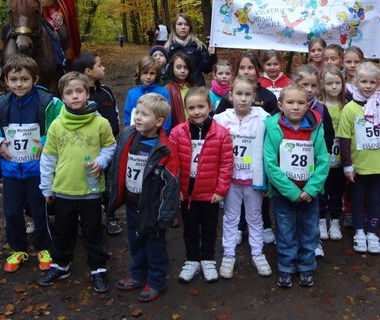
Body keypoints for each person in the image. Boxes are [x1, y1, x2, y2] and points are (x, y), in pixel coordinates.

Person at [37, 72, 116, 290]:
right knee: (63, 230)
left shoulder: (100, 123)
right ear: (62, 97)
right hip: (63, 189)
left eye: (79, 91)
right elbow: (48, 158)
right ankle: (61, 264)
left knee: (92, 230)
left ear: (87, 93)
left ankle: (98, 268)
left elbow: (110, 146)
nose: (74, 96)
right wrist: (46, 187)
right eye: (69, 93)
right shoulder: (56, 125)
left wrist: (102, 160)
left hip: (90, 189)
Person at [0, 54, 63, 273]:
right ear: (6, 81)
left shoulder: (49, 103)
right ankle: (17, 248)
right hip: (11, 168)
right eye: (14, 79)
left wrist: (47, 142)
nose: (19, 84)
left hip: (37, 168)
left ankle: (43, 247)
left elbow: (62, 125)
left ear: (35, 79)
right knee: (12, 211)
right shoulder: (1, 104)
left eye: (24, 79)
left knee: (39, 209)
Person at [107, 93, 180, 302]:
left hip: (153, 207)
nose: (138, 117)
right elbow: (118, 164)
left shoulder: (165, 149)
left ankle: (156, 281)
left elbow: (172, 185)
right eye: (137, 112)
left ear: (158, 122)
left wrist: (166, 214)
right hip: (132, 202)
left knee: (154, 245)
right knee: (135, 240)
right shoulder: (129, 135)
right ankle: (138, 274)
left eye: (144, 114)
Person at [263, 84, 330, 288]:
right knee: (285, 230)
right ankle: (286, 266)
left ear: (308, 105)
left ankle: (306, 265)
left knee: (310, 230)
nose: (295, 107)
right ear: (281, 105)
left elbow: (323, 160)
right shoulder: (273, 128)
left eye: (301, 103)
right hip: (284, 193)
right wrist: (291, 191)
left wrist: (311, 189)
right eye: (290, 103)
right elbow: (270, 164)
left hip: (310, 192)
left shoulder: (316, 127)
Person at [169, 87, 233, 283]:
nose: (196, 112)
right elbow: (172, 164)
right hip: (187, 194)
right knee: (189, 229)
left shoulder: (221, 134)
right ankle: (192, 260)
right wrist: (176, 190)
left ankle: (207, 259)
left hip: (210, 194)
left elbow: (226, 164)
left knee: (209, 228)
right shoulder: (177, 132)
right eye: (191, 108)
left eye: (201, 107)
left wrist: (221, 190)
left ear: (210, 106)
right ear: (186, 109)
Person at [214, 76, 271, 279]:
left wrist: (266, 180)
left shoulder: (264, 118)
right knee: (230, 218)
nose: (243, 99)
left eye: (248, 94)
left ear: (254, 97)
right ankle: (228, 254)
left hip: (253, 180)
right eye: (239, 94)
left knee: (255, 218)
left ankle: (257, 252)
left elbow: (270, 149)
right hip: (230, 180)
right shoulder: (220, 119)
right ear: (230, 96)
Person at [338, 62, 380, 255]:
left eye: (372, 82)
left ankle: (372, 232)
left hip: (377, 163)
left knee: (375, 199)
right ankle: (359, 231)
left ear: (378, 84)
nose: (368, 86)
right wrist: (347, 166)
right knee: (357, 198)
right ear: (356, 83)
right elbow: (344, 138)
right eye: (364, 82)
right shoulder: (349, 109)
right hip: (358, 165)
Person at [72, 51, 122, 235]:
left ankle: (110, 216)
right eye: (99, 65)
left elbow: (115, 115)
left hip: (107, 148)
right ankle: (83, 219)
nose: (103, 68)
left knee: (109, 184)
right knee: (86, 186)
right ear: (88, 71)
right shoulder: (76, 97)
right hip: (84, 150)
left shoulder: (106, 92)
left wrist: (113, 134)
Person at [292, 64, 335, 258]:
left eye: (312, 85)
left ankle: (313, 240)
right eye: (304, 85)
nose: (309, 90)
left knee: (313, 206)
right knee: (290, 204)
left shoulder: (322, 110)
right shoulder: (287, 105)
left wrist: (319, 162)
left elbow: (329, 137)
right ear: (296, 84)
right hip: (290, 167)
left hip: (313, 167)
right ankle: (290, 238)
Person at [318, 65, 348, 241]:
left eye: (337, 83)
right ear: (322, 85)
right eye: (330, 83)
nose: (334, 87)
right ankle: (321, 220)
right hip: (323, 157)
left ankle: (335, 221)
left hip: (340, 157)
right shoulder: (319, 107)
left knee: (337, 190)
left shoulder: (346, 106)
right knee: (322, 190)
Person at [165, 13, 216, 86]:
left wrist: (212, 55)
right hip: (175, 89)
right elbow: (164, 72)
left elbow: (206, 69)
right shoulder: (167, 48)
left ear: (190, 27)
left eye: (186, 24)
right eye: (180, 24)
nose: (183, 27)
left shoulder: (199, 46)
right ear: (174, 27)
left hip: (196, 88)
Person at [123, 56, 171, 133]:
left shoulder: (163, 93)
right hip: (136, 136)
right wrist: (131, 134)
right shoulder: (132, 94)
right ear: (139, 73)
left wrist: (161, 135)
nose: (148, 77)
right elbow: (128, 117)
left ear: (157, 74)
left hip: (156, 138)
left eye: (152, 73)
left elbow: (167, 118)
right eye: (145, 73)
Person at [164, 51, 196, 129]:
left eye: (185, 67)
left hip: (194, 128)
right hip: (176, 130)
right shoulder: (167, 89)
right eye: (178, 67)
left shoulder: (194, 87)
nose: (182, 71)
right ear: (172, 68)